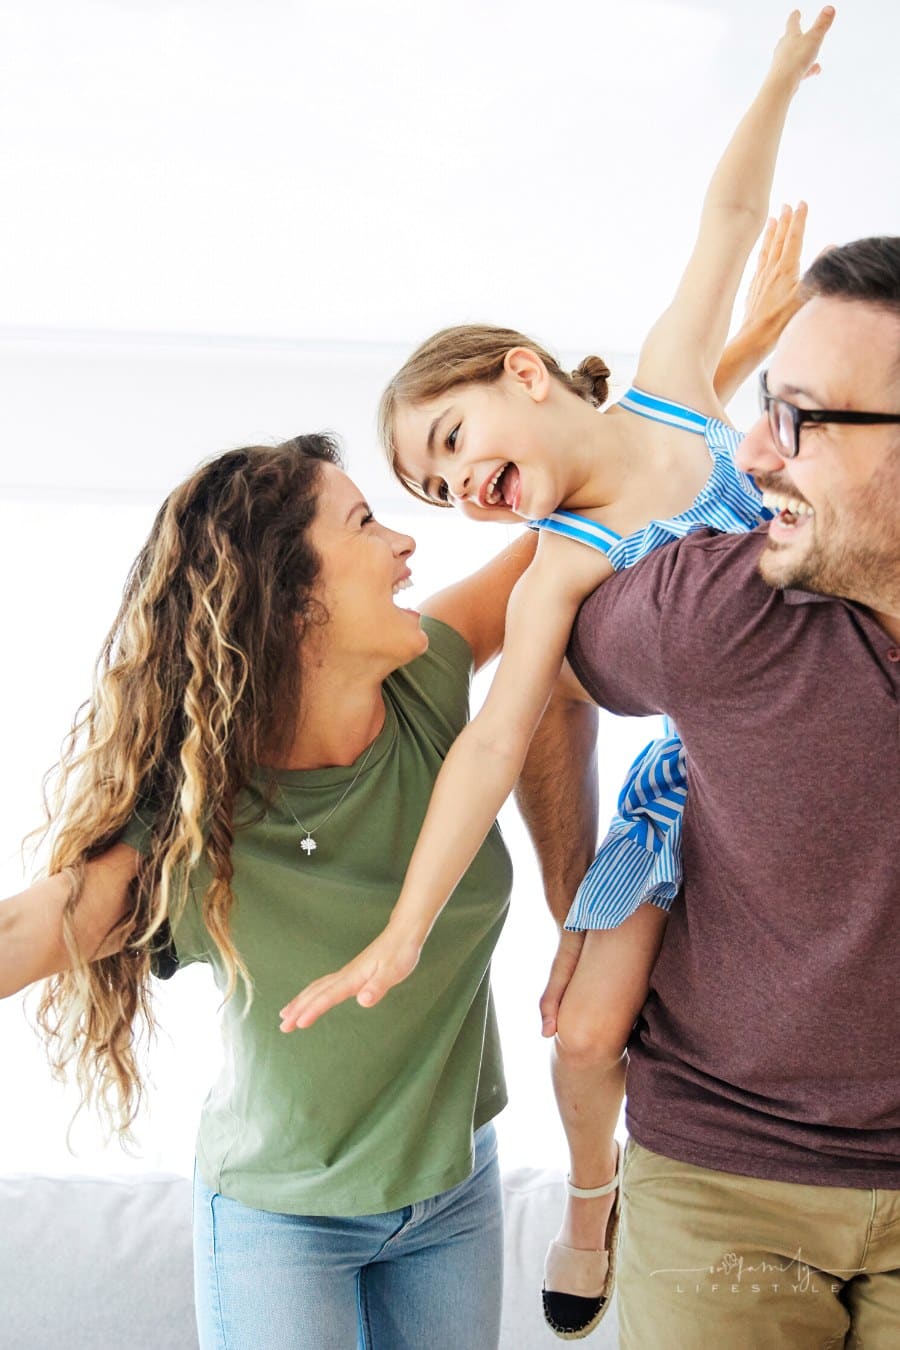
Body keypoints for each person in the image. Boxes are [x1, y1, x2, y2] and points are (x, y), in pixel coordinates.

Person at [278, 9, 835, 1339]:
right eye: (433, 485)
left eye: (457, 439)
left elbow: (725, 211)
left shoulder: (677, 391)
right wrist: (405, 932)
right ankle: (597, 1195)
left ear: (524, 373)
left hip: (809, 750)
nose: (460, 485)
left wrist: (773, 79)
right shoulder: (557, 568)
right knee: (585, 1032)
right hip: (685, 794)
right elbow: (489, 741)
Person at [0, 435, 557, 1350]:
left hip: (454, 1190)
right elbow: (30, 928)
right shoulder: (189, 827)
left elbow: (583, 521)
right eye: (366, 524)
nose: (404, 545)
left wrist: (709, 365)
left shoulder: (425, 687)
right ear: (295, 601)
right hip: (281, 1220)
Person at [532, 233, 900, 1348]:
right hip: (720, 1177)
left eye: (799, 417)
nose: (752, 451)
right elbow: (548, 666)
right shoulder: (715, 611)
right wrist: (573, 902)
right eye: (759, 405)